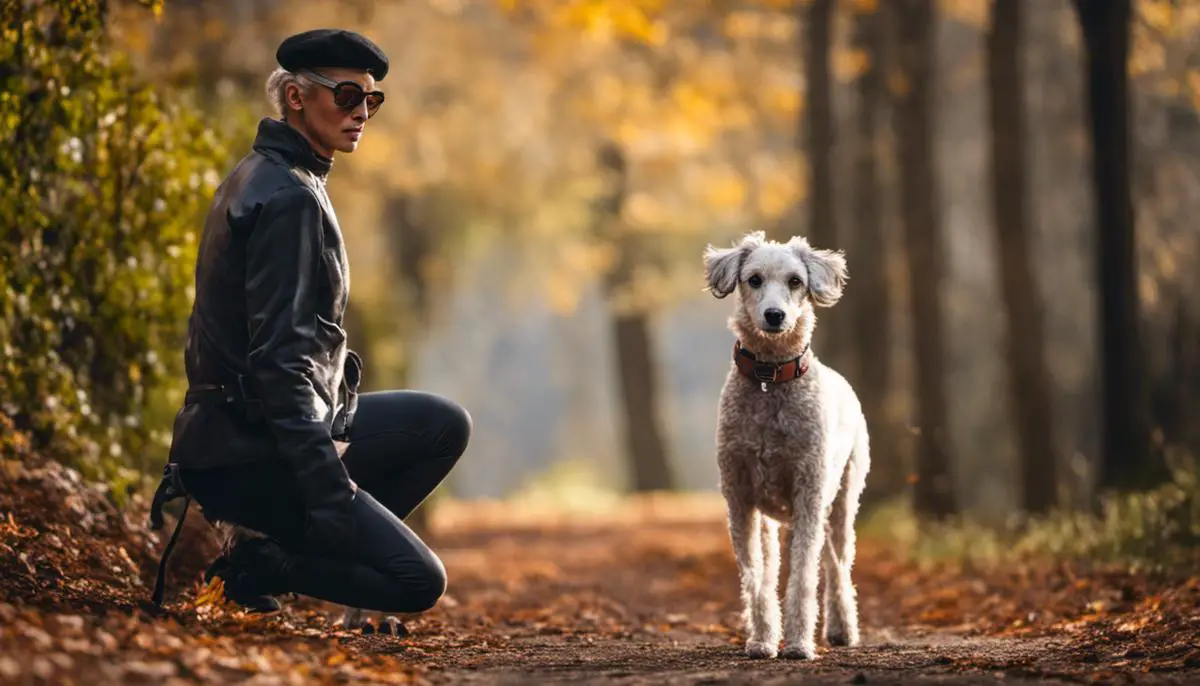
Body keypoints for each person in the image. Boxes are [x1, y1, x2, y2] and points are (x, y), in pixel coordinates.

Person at [147, 29, 471, 617]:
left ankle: (288, 543)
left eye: (372, 101)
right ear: (296, 98)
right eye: (347, 96)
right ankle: (260, 566)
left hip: (253, 433)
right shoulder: (288, 198)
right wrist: (327, 493)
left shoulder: (273, 175)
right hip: (246, 450)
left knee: (441, 425)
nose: (361, 113)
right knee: (417, 582)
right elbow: (279, 364)